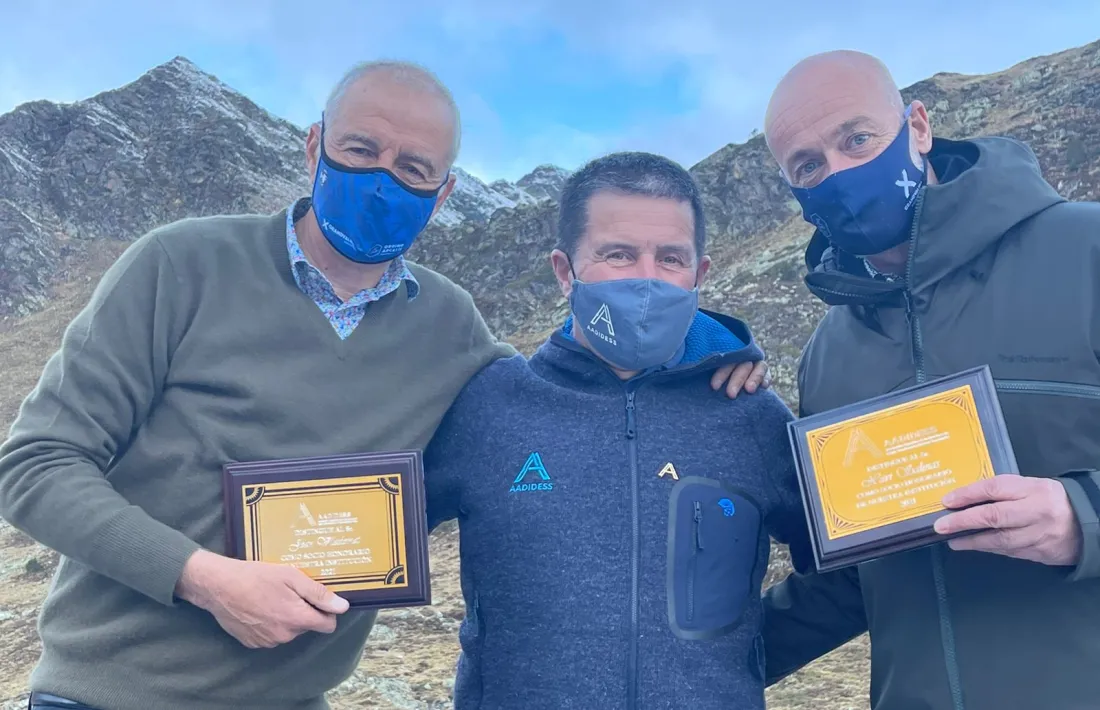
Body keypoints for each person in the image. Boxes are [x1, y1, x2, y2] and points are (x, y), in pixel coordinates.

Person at [0, 60, 766, 710]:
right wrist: (202, 580)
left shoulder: (447, 324)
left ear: (442, 194)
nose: (380, 178)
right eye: (362, 149)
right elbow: (36, 465)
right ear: (314, 147)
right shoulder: (179, 266)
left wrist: (707, 345)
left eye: (412, 169)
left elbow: (573, 375)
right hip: (109, 696)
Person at [760, 49, 1100, 710]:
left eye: (857, 139)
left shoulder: (1086, 254)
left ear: (918, 127)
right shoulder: (827, 355)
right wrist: (670, 667)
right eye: (808, 165)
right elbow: (856, 578)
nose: (839, 173)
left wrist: (1082, 519)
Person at [423, 150, 813, 710]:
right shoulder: (490, 403)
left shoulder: (749, 414)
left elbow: (849, 566)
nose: (647, 280)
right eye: (619, 255)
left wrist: (740, 662)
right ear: (565, 272)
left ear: (700, 275)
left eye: (671, 258)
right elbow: (366, 532)